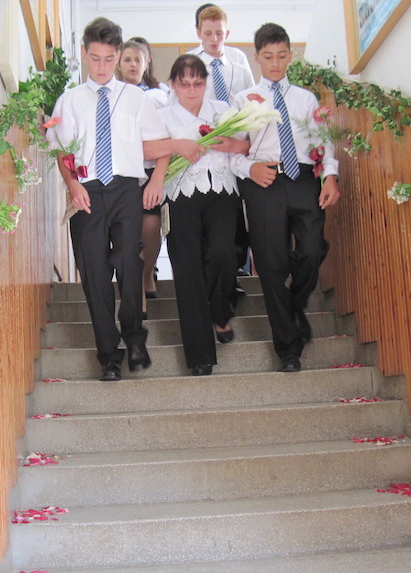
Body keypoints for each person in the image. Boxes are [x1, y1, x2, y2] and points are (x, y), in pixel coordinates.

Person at [47, 17, 171, 382]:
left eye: (108, 59)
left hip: (126, 190)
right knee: (94, 273)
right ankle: (109, 356)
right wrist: (72, 185)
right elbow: (62, 152)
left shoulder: (136, 99)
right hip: (86, 192)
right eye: (95, 58)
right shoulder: (70, 101)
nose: (101, 67)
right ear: (85, 54)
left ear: (118, 56)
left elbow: (161, 145)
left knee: (129, 263)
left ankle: (134, 337)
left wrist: (156, 180)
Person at [231, 23, 340, 373]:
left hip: (304, 179)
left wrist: (330, 176)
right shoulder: (244, 100)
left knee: (312, 249)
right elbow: (231, 152)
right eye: (268, 57)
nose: (275, 63)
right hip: (264, 181)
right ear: (257, 58)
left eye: (281, 56)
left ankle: (294, 305)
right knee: (271, 265)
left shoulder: (305, 99)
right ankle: (288, 349)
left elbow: (323, 141)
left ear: (290, 56)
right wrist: (250, 169)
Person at [147, 54, 249, 376]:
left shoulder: (222, 110)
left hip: (222, 191)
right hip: (180, 196)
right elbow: (144, 149)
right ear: (173, 85)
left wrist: (232, 144)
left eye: (198, 83)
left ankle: (220, 311)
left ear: (206, 83)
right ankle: (200, 355)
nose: (192, 90)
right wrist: (176, 145)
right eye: (185, 84)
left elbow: (247, 147)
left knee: (223, 253)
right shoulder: (161, 115)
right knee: (188, 269)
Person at [189, 4, 254, 294]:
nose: (214, 39)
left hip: (236, 148)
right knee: (210, 211)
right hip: (206, 148)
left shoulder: (238, 61)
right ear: (198, 33)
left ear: (227, 32)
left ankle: (235, 270)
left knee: (236, 210)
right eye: (208, 33)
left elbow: (252, 101)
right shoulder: (191, 62)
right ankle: (209, 273)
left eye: (219, 33)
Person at [117, 39, 167, 315]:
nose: (133, 64)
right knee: (128, 232)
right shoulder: (112, 94)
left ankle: (147, 273)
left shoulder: (159, 96)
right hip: (122, 171)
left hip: (151, 170)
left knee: (150, 225)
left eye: (138, 59)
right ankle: (136, 292)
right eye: (127, 59)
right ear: (119, 63)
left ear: (147, 63)